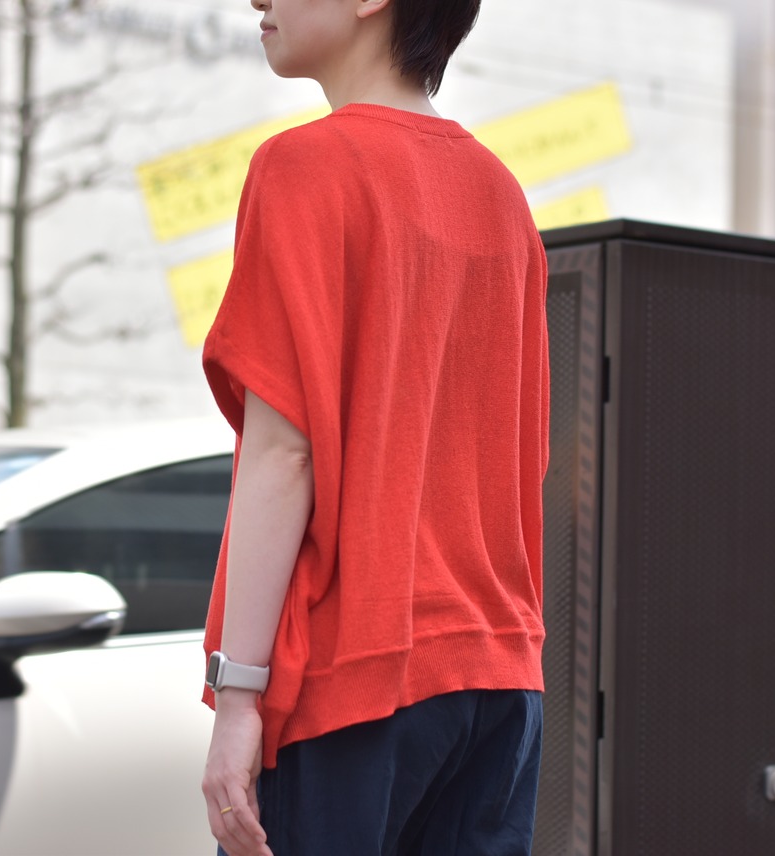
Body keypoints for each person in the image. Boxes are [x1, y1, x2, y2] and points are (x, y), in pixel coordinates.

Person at [198, 0, 549, 853]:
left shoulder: (304, 167)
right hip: (500, 679)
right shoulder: (503, 198)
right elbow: (522, 455)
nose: (257, 1)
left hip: (354, 681)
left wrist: (238, 697)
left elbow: (284, 454)